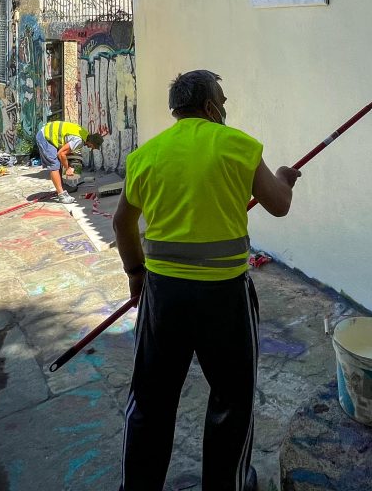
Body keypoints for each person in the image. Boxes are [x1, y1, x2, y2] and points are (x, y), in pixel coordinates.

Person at [112, 70, 301, 491]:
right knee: (232, 401)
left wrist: (135, 273)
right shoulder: (238, 145)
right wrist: (285, 178)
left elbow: (121, 222)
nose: (226, 108)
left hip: (164, 296)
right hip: (226, 298)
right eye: (224, 100)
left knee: (150, 401)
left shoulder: (147, 155)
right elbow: (279, 205)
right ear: (211, 106)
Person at [36, 120, 103, 203]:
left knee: (60, 161)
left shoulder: (84, 134)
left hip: (50, 133)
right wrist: (68, 168)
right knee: (54, 164)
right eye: (93, 146)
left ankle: (62, 187)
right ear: (91, 142)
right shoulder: (79, 140)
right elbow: (61, 154)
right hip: (45, 136)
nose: (91, 148)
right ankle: (61, 195)